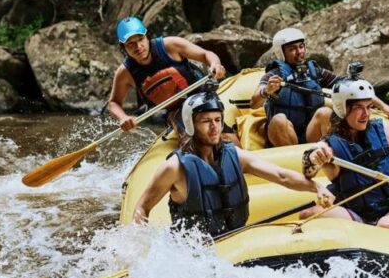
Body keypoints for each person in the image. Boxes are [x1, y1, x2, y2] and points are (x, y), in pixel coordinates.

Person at [133, 92, 335, 236]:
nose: (215, 128)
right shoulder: (175, 168)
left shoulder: (234, 155)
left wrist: (316, 186)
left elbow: (281, 175)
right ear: (190, 125)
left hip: (235, 240)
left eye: (218, 120)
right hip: (195, 253)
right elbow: (142, 208)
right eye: (206, 121)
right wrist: (139, 247)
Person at [300, 78, 389, 233]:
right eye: (359, 107)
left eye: (369, 107)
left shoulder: (383, 129)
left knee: (386, 226)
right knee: (307, 215)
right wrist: (314, 158)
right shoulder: (329, 145)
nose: (366, 114)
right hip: (359, 215)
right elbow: (308, 168)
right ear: (342, 108)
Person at [250, 27, 389, 146]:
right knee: (279, 119)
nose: (299, 52)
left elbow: (352, 87)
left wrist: (383, 106)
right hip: (284, 134)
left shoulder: (315, 71)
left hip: (311, 132)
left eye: (301, 47)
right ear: (281, 53)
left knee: (325, 112)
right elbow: (253, 103)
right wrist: (266, 91)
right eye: (292, 49)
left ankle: (331, 151)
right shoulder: (273, 76)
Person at [108, 16, 238, 144]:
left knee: (223, 134)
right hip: (174, 111)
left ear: (147, 37)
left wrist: (215, 64)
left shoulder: (170, 45)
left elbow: (206, 54)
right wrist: (123, 118)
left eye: (141, 39)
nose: (138, 46)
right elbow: (114, 103)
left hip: (201, 96)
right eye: (130, 44)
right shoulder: (125, 73)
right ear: (123, 47)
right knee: (193, 141)